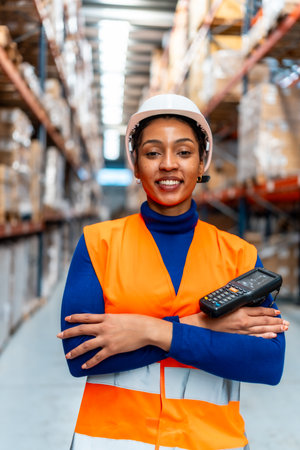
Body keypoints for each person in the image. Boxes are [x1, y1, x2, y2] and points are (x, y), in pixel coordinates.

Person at [57, 94, 287, 450]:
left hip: (210, 442)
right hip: (111, 441)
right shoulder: (98, 243)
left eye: (183, 152)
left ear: (201, 164)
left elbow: (267, 363)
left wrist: (148, 329)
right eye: (152, 153)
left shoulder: (240, 256)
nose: (168, 164)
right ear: (135, 165)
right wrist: (202, 325)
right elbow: (81, 356)